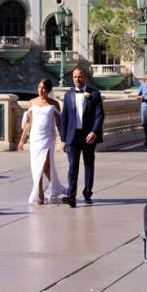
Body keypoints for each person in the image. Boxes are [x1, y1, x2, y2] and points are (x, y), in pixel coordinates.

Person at [18, 78, 67, 204]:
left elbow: (59, 124)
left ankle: (54, 188)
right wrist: (22, 141)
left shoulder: (53, 104)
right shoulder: (31, 103)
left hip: (48, 138)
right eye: (39, 87)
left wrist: (63, 140)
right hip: (35, 139)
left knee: (45, 165)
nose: (41, 90)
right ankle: (40, 192)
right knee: (36, 166)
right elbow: (29, 123)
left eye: (44, 88)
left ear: (48, 90)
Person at [60, 66, 104, 208]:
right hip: (72, 137)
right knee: (73, 167)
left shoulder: (95, 94)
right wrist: (63, 139)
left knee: (88, 165)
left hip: (88, 136)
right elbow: (64, 119)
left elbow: (99, 115)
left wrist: (94, 132)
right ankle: (72, 197)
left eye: (79, 76)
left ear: (85, 78)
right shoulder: (68, 96)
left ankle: (87, 193)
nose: (77, 79)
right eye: (74, 77)